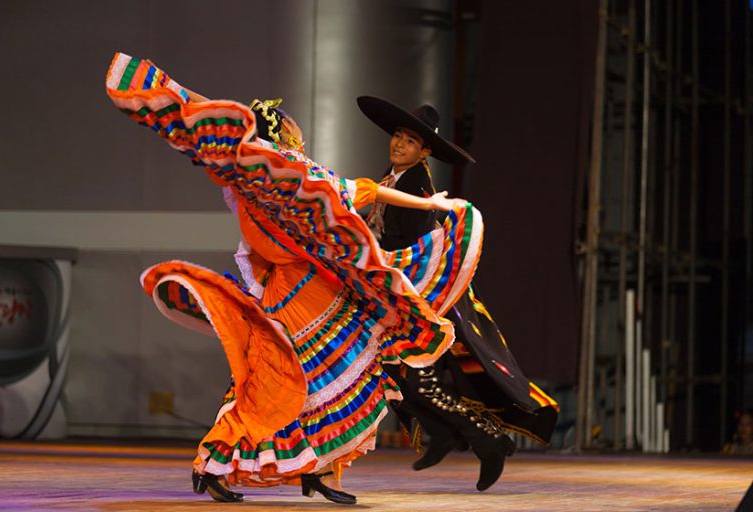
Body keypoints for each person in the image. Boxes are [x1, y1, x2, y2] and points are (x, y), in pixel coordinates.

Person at [105, 53, 483, 505]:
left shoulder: (266, 176)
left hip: (313, 287)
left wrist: (429, 206)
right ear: (282, 133)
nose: (297, 138)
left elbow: (355, 189)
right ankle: (221, 463)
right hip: (297, 293)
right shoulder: (275, 172)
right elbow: (354, 188)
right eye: (291, 131)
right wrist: (431, 206)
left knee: (322, 380)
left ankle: (309, 472)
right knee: (290, 380)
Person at [358, 96, 559, 491]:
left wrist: (405, 295)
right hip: (400, 295)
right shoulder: (394, 178)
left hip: (420, 295)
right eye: (397, 135)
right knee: (393, 374)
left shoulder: (416, 185)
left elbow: (420, 251)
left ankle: (486, 440)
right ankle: (449, 434)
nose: (399, 144)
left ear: (424, 151)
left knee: (414, 377)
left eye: (410, 141)